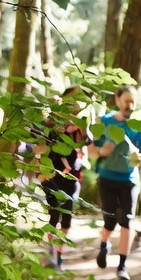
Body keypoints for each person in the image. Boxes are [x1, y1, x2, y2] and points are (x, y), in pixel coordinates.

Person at [94, 85, 141, 280]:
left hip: (130, 180)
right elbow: (91, 149)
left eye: (133, 101)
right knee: (109, 220)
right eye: (126, 101)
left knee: (127, 220)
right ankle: (104, 245)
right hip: (107, 177)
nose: (130, 105)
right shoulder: (106, 121)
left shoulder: (139, 124)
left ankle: (122, 266)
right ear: (117, 100)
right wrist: (102, 152)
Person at [36, 85, 89, 270]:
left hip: (73, 175)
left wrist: (81, 126)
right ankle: (51, 253)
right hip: (51, 173)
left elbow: (86, 142)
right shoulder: (50, 121)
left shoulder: (81, 124)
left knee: (67, 215)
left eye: (81, 100)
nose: (77, 103)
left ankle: (58, 254)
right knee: (54, 212)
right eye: (73, 99)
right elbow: (37, 145)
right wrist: (39, 173)